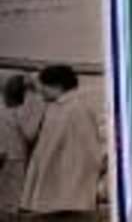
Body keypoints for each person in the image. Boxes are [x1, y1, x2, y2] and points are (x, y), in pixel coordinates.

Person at [14, 63, 102, 222]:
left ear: (56, 85)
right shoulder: (55, 107)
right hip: (56, 191)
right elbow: (30, 132)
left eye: (43, 85)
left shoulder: (77, 108)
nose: (40, 90)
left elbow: (91, 151)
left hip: (71, 193)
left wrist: (83, 181)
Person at [0, 73, 31, 207]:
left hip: (8, 158)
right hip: (18, 159)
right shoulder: (24, 113)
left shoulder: (5, 113)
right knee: (14, 199)